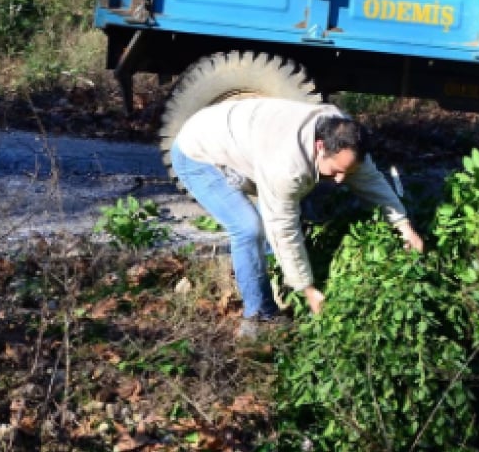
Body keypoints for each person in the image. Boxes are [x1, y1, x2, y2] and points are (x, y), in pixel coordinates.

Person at [170, 98, 423, 339]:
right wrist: (308, 289)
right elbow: (283, 229)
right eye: (335, 171)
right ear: (320, 147)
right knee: (249, 229)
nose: (339, 180)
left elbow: (370, 181)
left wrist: (404, 226)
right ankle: (258, 316)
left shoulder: (347, 138)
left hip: (243, 137)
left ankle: (278, 287)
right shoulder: (286, 165)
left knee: (276, 217)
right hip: (198, 152)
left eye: (347, 172)